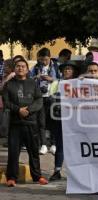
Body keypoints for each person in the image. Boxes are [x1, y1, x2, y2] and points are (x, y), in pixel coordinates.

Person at [2, 59, 48, 187]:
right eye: (18, 66)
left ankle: (37, 176)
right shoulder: (8, 84)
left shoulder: (33, 84)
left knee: (33, 152)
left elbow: (39, 100)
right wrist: (18, 110)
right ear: (14, 69)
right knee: (13, 152)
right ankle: (11, 178)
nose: (20, 68)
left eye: (23, 66)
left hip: (31, 123)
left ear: (27, 69)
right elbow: (6, 102)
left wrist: (28, 110)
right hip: (15, 124)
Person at [49, 61, 78, 181]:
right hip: (59, 118)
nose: (67, 71)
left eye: (70, 69)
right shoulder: (56, 83)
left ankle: (76, 173)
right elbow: (51, 97)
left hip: (75, 120)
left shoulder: (78, 84)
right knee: (60, 145)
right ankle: (57, 171)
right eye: (65, 69)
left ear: (74, 72)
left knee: (75, 146)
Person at [31, 48, 57, 155]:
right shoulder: (36, 67)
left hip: (52, 96)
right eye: (41, 59)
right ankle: (43, 145)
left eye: (45, 59)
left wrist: (52, 79)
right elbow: (30, 78)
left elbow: (62, 80)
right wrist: (36, 77)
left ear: (49, 57)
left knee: (53, 121)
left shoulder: (56, 66)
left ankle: (54, 144)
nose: (43, 62)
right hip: (40, 97)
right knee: (41, 122)